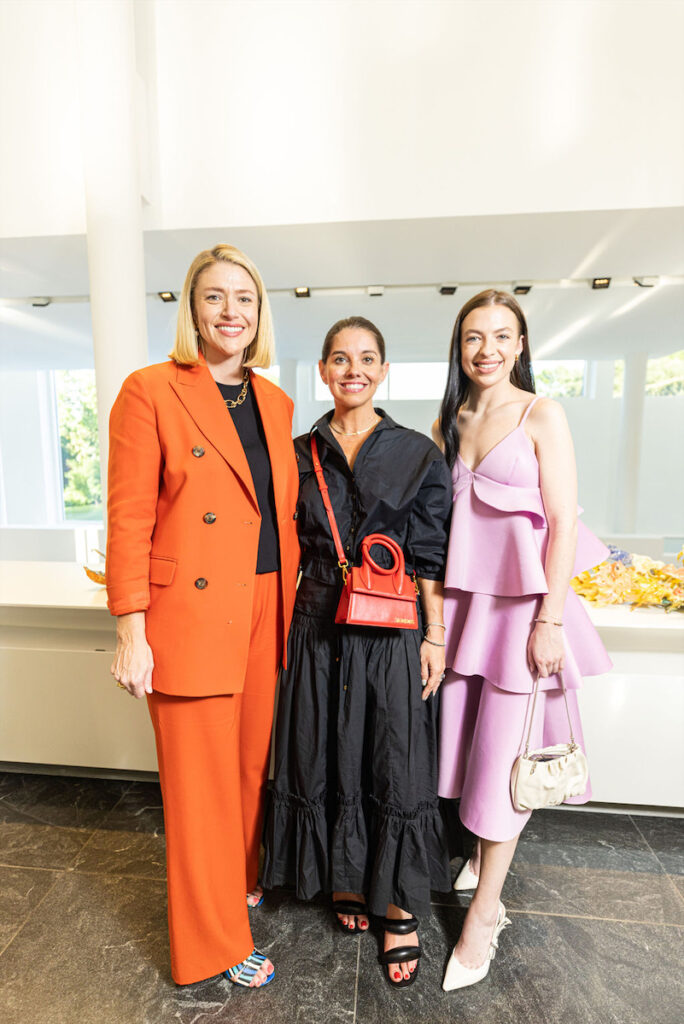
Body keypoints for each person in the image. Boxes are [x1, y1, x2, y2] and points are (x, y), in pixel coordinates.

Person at [105, 244, 300, 989]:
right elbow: (127, 519)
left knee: (249, 773)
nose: (231, 312)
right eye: (214, 297)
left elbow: (276, 516)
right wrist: (131, 629)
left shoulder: (274, 402)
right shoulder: (149, 390)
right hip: (186, 614)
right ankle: (214, 944)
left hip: (262, 609)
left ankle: (237, 882)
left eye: (244, 299)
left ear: (260, 314)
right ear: (191, 309)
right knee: (200, 789)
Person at [262, 316, 453, 988]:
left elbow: (430, 554)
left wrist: (435, 637)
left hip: (392, 624)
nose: (354, 370)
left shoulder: (418, 454)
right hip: (315, 622)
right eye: (340, 359)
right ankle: (346, 879)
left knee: (393, 757)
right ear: (322, 370)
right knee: (326, 751)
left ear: (384, 370)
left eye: (367, 358)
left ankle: (398, 907)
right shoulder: (295, 452)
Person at [433, 289, 611, 991]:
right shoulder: (456, 417)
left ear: (522, 344)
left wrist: (550, 620)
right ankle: (480, 858)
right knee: (473, 748)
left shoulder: (543, 413)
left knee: (507, 763)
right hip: (467, 610)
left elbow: (563, 523)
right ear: (461, 346)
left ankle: (484, 915)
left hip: (524, 615)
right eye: (475, 337)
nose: (487, 350)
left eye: (502, 336)